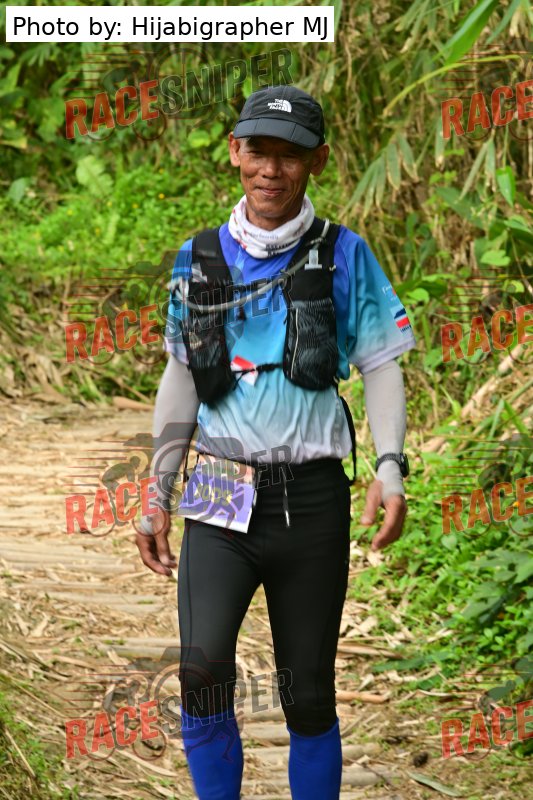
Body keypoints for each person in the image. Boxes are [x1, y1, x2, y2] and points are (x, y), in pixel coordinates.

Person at [135, 84, 416, 800]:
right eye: (258, 151)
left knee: (309, 691)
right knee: (201, 674)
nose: (271, 169)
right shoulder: (197, 258)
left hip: (312, 498)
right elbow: (181, 379)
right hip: (218, 485)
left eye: (289, 156)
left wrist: (390, 466)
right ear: (235, 152)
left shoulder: (345, 254)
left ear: (316, 162)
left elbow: (382, 364)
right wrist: (156, 491)